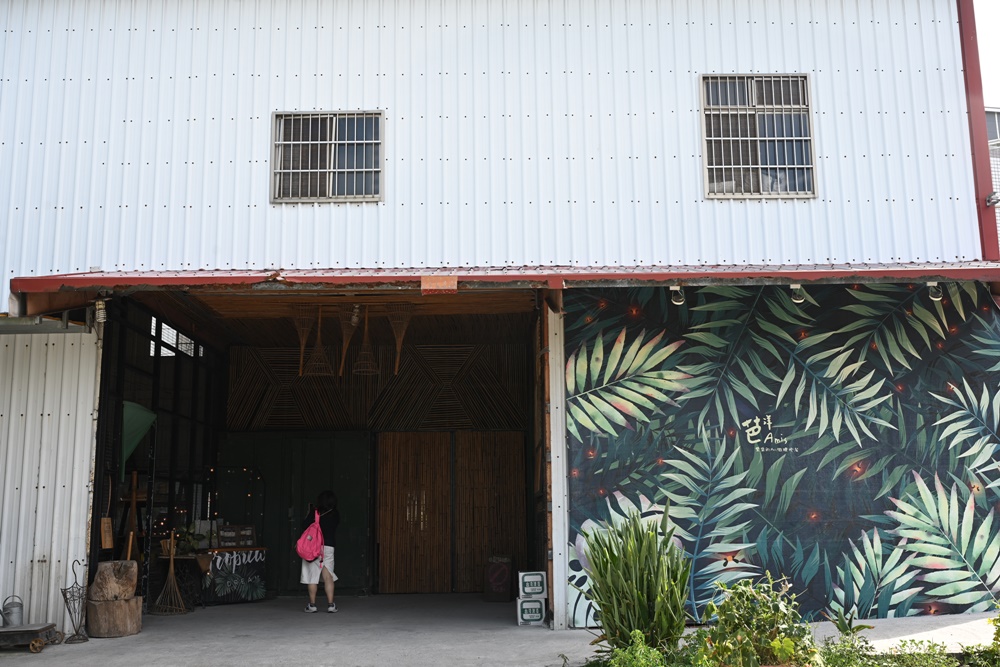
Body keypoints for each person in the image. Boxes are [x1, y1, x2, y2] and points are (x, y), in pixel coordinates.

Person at [300, 489, 340, 613]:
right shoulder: (335, 513)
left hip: (313, 547)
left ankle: (312, 605)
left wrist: (310, 513)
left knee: (312, 576)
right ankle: (331, 605)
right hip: (328, 546)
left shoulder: (315, 512)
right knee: (328, 576)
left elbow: (304, 525)